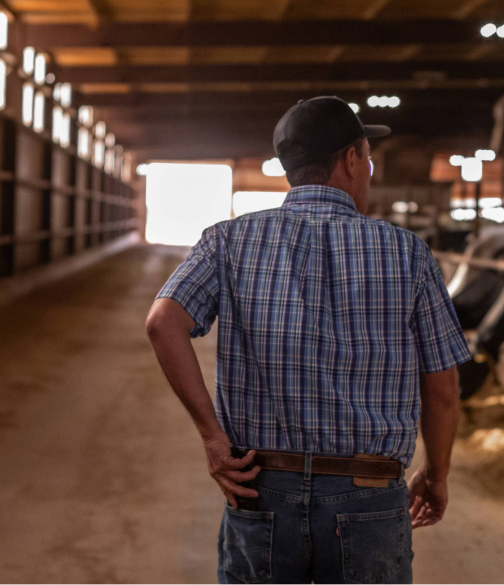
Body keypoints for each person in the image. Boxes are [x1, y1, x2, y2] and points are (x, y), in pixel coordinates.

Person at [145, 96, 471, 584]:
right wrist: (436, 475)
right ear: (351, 160)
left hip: (261, 489)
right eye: (368, 157)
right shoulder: (408, 252)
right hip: (370, 494)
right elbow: (442, 389)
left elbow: (162, 323)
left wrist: (213, 438)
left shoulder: (227, 241)